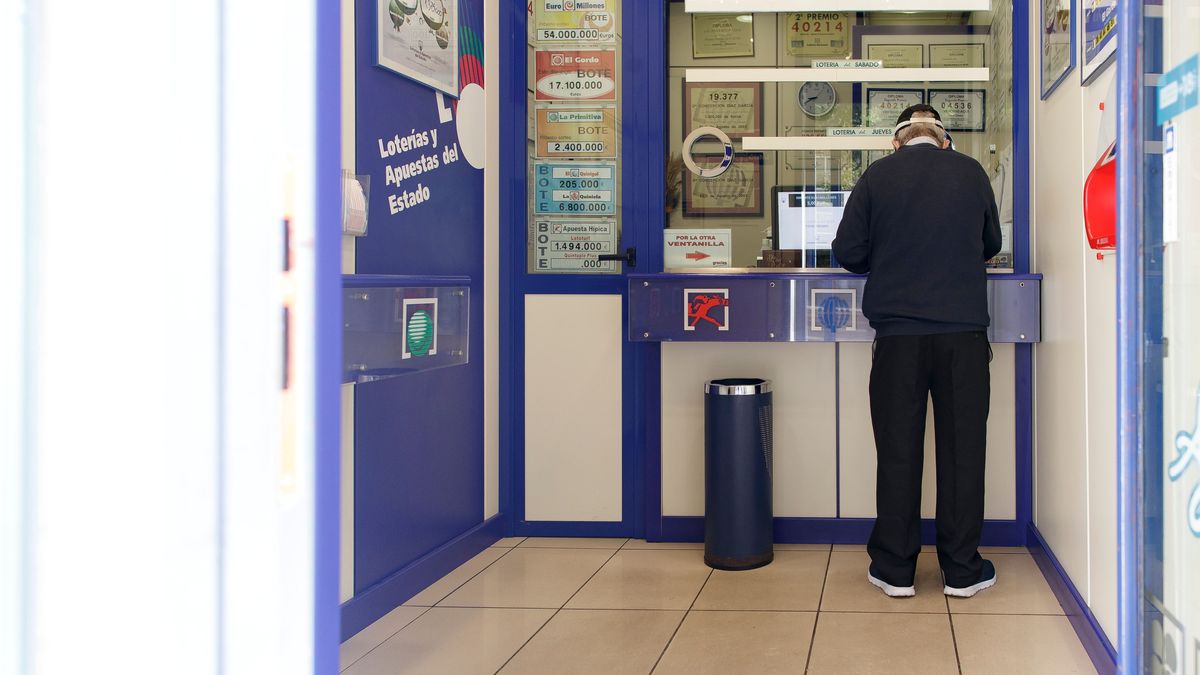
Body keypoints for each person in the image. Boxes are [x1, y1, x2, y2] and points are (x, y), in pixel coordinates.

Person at [831, 104, 1003, 599]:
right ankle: (963, 570)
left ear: (897, 141)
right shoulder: (971, 172)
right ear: (944, 140)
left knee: (899, 451)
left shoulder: (876, 176)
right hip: (963, 336)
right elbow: (990, 242)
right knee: (963, 451)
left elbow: (848, 253)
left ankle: (895, 569)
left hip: (898, 337)